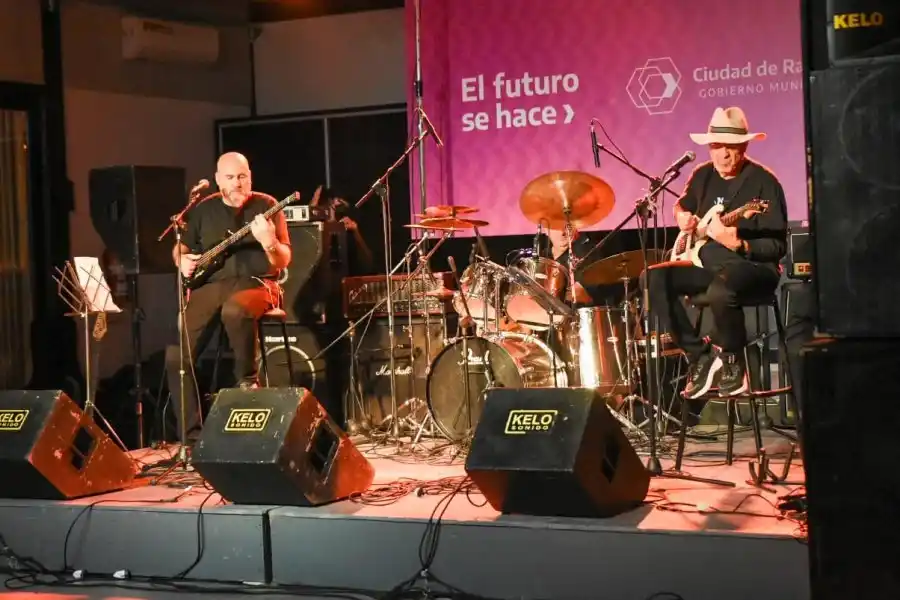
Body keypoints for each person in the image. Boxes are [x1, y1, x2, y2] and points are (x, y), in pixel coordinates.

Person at [645, 106, 787, 399]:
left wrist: (740, 244)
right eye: (716, 146)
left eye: (730, 147)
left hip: (753, 267)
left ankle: (734, 362)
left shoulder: (764, 182)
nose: (722, 154)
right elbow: (682, 204)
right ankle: (700, 355)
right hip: (707, 261)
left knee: (722, 288)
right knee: (653, 279)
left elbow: (777, 247)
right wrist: (682, 216)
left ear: (744, 146)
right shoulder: (702, 175)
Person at [165, 152, 292, 444]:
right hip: (210, 286)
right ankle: (193, 440)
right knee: (177, 357)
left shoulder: (267, 205)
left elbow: (284, 259)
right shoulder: (201, 210)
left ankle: (248, 382)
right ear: (218, 180)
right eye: (231, 178)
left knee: (234, 311)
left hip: (258, 284)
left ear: (250, 176)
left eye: (243, 176)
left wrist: (268, 242)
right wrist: (181, 261)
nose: (238, 183)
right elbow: (180, 250)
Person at [309, 185, 374, 276]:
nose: (334, 205)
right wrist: (313, 205)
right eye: (329, 203)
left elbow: (368, 264)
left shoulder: (349, 228)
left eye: (338, 201)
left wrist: (356, 233)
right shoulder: (315, 230)